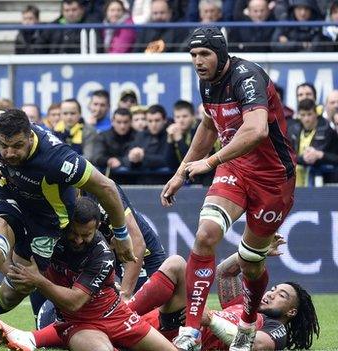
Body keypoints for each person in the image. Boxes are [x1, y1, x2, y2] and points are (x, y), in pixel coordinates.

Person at [0, 109, 137, 350]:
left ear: (30, 136)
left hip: (47, 219)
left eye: (17, 146)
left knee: (18, 287)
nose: (9, 153)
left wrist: (122, 235)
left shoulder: (58, 158)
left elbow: (106, 187)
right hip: (10, 199)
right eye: (3, 145)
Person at [160, 27, 296, 351]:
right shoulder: (207, 83)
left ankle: (248, 322)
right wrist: (181, 173)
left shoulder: (246, 76)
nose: (197, 61)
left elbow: (257, 129)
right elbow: (208, 126)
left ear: (221, 53)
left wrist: (208, 163)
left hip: (273, 178)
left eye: (204, 54)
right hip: (235, 168)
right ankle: (191, 331)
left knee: (251, 262)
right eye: (193, 55)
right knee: (205, 235)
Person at [0, 197, 175, 351]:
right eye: (74, 233)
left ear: (98, 226)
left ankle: (31, 338)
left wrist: (37, 280)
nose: (78, 240)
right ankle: (29, 337)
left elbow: (74, 301)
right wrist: (12, 271)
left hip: (117, 315)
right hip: (78, 323)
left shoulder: (103, 255)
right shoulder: (50, 237)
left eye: (86, 235)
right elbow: (10, 244)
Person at [125, 236, 320, 350]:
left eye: (281, 295)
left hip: (183, 337)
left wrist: (211, 320)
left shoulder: (276, 328)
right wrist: (256, 250)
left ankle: (118, 314)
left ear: (291, 312)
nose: (271, 293)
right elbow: (225, 273)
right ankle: (120, 313)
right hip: (167, 323)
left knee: (176, 264)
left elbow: (256, 346)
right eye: (273, 289)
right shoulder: (246, 307)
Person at [34, 183, 167, 330]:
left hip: (140, 256)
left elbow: (137, 243)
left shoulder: (102, 190)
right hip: (100, 251)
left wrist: (125, 294)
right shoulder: (52, 196)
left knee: (145, 319)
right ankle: (45, 325)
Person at [289, 98, 338, 186]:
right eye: (303, 115)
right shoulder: (293, 130)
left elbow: (334, 157)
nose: (306, 119)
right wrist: (301, 159)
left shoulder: (327, 131)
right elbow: (287, 154)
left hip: (320, 179)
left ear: (316, 113)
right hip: (295, 179)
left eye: (309, 114)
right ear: (299, 115)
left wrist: (320, 155)